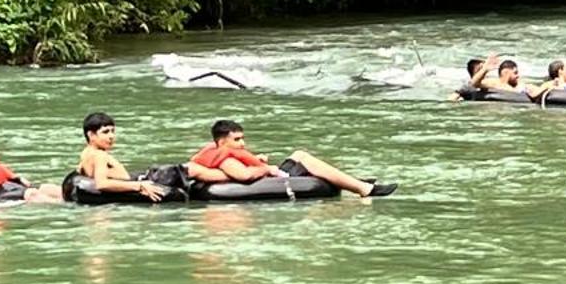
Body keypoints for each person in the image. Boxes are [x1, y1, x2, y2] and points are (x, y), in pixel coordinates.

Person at [188, 120, 396, 197]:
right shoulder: (224, 158)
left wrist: (256, 159)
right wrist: (266, 169)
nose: (242, 144)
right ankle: (364, 189)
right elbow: (242, 176)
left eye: (243, 139)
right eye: (237, 140)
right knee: (303, 157)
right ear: (222, 141)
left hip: (271, 175)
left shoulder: (215, 150)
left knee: (298, 154)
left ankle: (355, 182)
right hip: (270, 180)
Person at [69, 112, 168, 202]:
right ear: (91, 135)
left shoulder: (87, 153)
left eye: (113, 131)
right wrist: (139, 186)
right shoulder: (99, 155)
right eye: (105, 132)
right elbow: (102, 184)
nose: (111, 136)